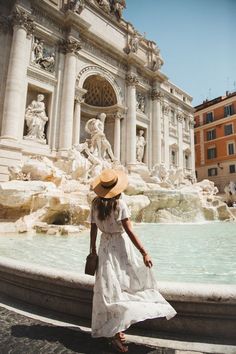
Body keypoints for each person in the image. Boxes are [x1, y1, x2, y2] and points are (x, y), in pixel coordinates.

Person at [89, 169, 176, 352]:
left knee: (109, 289)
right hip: (121, 246)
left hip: (104, 246)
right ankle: (117, 332)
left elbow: (93, 229)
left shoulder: (95, 204)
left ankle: (116, 330)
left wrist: (93, 250)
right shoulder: (119, 204)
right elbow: (129, 230)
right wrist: (144, 252)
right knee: (128, 286)